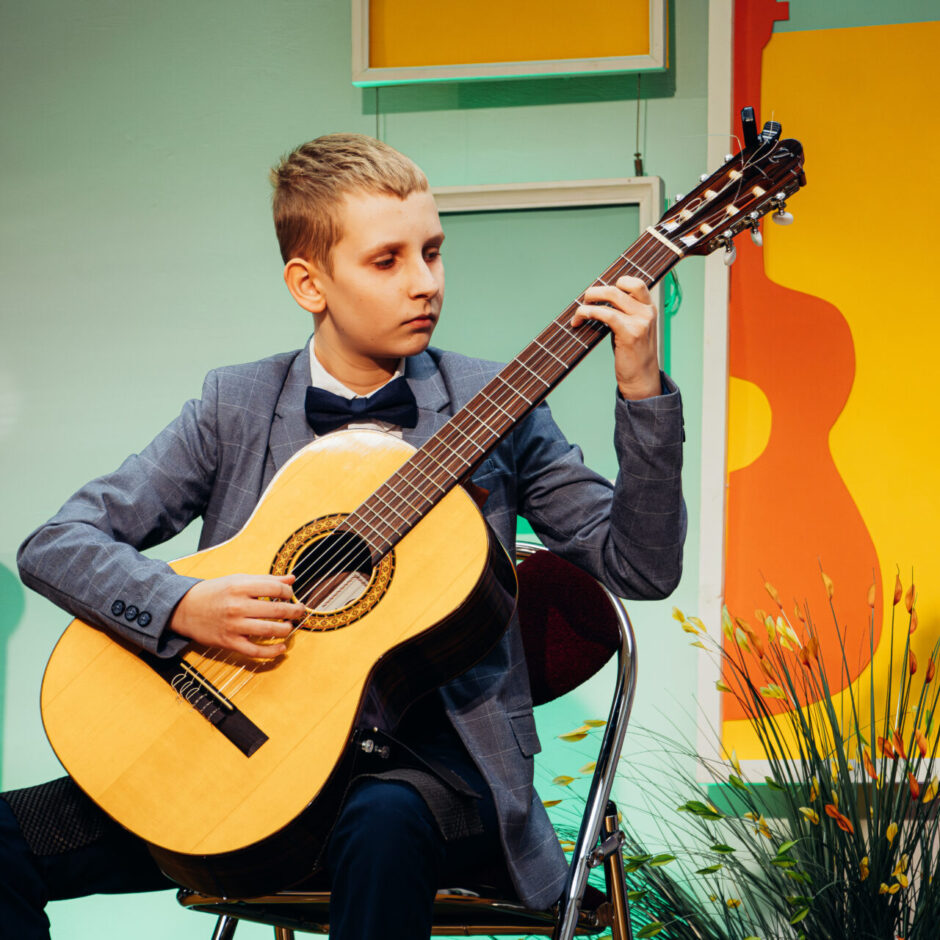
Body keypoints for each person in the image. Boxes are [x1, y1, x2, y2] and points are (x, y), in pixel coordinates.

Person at [2, 133, 686, 939]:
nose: (424, 282)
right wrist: (183, 605)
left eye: (432, 252)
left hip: (435, 780)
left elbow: (641, 565)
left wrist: (641, 388)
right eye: (387, 260)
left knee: (381, 824)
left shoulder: (498, 404)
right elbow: (56, 544)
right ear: (309, 283)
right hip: (241, 766)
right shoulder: (235, 406)